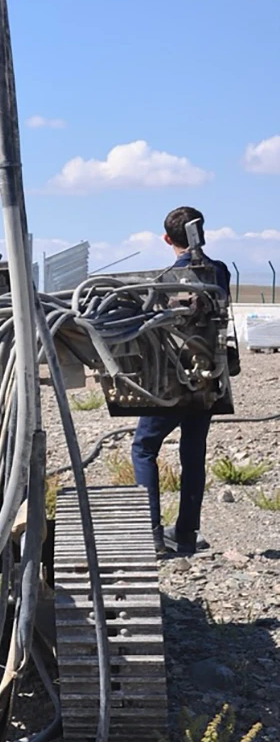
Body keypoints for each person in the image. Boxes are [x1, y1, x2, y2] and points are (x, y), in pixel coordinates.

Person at [131, 205, 231, 557]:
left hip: (171, 382)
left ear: (166, 238)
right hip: (208, 381)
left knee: (144, 448)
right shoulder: (218, 272)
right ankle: (186, 534)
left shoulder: (159, 281)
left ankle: (152, 534)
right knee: (193, 453)